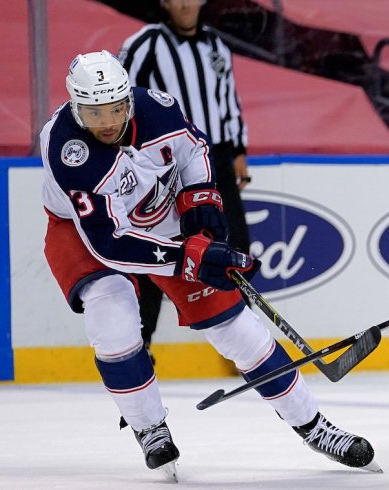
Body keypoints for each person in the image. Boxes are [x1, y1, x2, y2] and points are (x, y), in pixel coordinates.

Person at [40, 51, 378, 482]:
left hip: (158, 211)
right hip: (84, 233)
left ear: (128, 97)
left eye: (115, 108)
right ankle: (150, 429)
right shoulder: (68, 149)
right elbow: (110, 242)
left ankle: (315, 426)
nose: (106, 121)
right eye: (92, 112)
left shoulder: (156, 108)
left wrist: (199, 197)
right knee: (113, 319)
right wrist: (191, 258)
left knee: (240, 331)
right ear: (74, 107)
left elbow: (194, 149)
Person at [119, 0, 252, 352]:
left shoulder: (216, 46)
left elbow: (229, 100)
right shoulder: (144, 44)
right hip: (163, 164)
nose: (185, 3)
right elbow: (118, 102)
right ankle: (140, 343)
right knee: (154, 253)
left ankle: (248, 339)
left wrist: (238, 149)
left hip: (216, 158)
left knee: (235, 245)